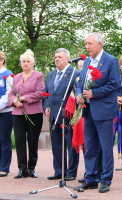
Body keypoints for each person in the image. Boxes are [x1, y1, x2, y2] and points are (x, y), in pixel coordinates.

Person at [75, 32, 120, 193]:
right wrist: (79, 93)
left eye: (90, 44)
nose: (87, 47)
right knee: (90, 147)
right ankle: (91, 178)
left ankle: (106, 179)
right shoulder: (87, 61)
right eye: (86, 44)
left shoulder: (111, 60)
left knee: (106, 147)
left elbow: (115, 83)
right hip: (88, 112)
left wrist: (95, 93)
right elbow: (80, 81)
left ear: (99, 44)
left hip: (105, 111)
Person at [42, 48, 80, 181]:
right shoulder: (51, 74)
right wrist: (46, 106)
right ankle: (59, 170)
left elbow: (77, 95)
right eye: (55, 57)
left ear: (67, 58)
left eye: (60, 57)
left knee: (71, 145)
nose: (56, 59)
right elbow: (46, 94)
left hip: (69, 115)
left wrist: (76, 113)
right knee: (57, 145)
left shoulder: (75, 73)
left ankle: (71, 171)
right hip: (54, 116)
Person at [8, 49, 44, 179]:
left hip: (34, 113)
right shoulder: (16, 77)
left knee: (33, 140)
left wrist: (22, 99)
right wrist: (14, 101)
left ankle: (32, 168)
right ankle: (22, 169)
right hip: (17, 113)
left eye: (28, 61)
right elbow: (11, 93)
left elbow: (40, 93)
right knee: (19, 141)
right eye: (23, 61)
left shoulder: (38, 76)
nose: (26, 64)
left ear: (33, 63)